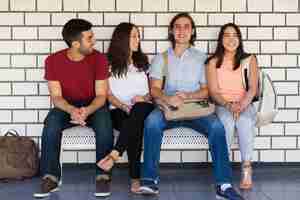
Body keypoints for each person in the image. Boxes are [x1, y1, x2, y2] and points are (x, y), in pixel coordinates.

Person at [139, 13, 244, 200]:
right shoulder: (161, 58)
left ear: (192, 31)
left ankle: (224, 184)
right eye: (177, 27)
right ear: (171, 31)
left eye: (186, 26)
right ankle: (149, 181)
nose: (181, 31)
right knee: (151, 123)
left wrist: (187, 96)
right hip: (168, 108)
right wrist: (168, 98)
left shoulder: (202, 58)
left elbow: (207, 90)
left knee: (217, 127)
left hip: (197, 109)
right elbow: (154, 90)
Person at [33, 18, 113, 198]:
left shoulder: (99, 58)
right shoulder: (53, 61)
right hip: (66, 106)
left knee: (104, 125)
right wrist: (72, 110)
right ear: (76, 43)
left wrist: (86, 111)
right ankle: (51, 177)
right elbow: (56, 97)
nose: (94, 41)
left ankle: (103, 176)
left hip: (94, 105)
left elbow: (101, 95)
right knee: (51, 124)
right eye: (90, 38)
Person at [97, 22, 154, 194]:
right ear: (122, 39)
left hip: (144, 108)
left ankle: (114, 154)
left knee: (138, 110)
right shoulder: (107, 63)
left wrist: (143, 98)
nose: (138, 39)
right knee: (133, 128)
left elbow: (153, 92)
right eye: (134, 36)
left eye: (138, 36)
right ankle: (135, 178)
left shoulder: (143, 62)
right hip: (118, 111)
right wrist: (122, 106)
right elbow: (107, 94)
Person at [206, 23, 258, 189]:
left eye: (234, 35)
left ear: (239, 39)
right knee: (226, 124)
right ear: (221, 40)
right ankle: (224, 170)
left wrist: (241, 105)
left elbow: (253, 89)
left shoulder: (249, 59)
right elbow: (213, 92)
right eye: (227, 35)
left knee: (244, 122)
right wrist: (229, 106)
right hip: (223, 105)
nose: (231, 39)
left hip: (245, 104)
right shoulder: (212, 62)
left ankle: (246, 168)